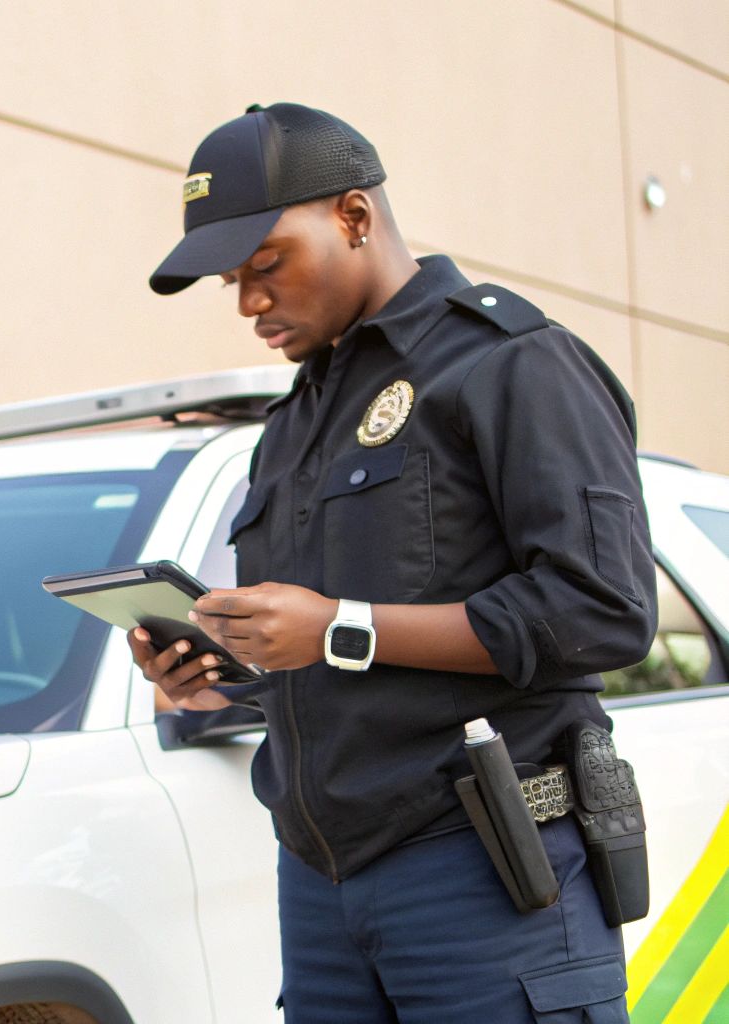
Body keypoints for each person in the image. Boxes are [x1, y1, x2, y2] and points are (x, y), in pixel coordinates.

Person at [134, 102, 657, 1023]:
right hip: (321, 884)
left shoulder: (511, 362)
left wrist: (338, 627)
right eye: (233, 281)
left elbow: (602, 609)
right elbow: (341, 662)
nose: (251, 301)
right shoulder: (293, 423)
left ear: (353, 216)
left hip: (484, 872)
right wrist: (225, 681)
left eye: (266, 265)